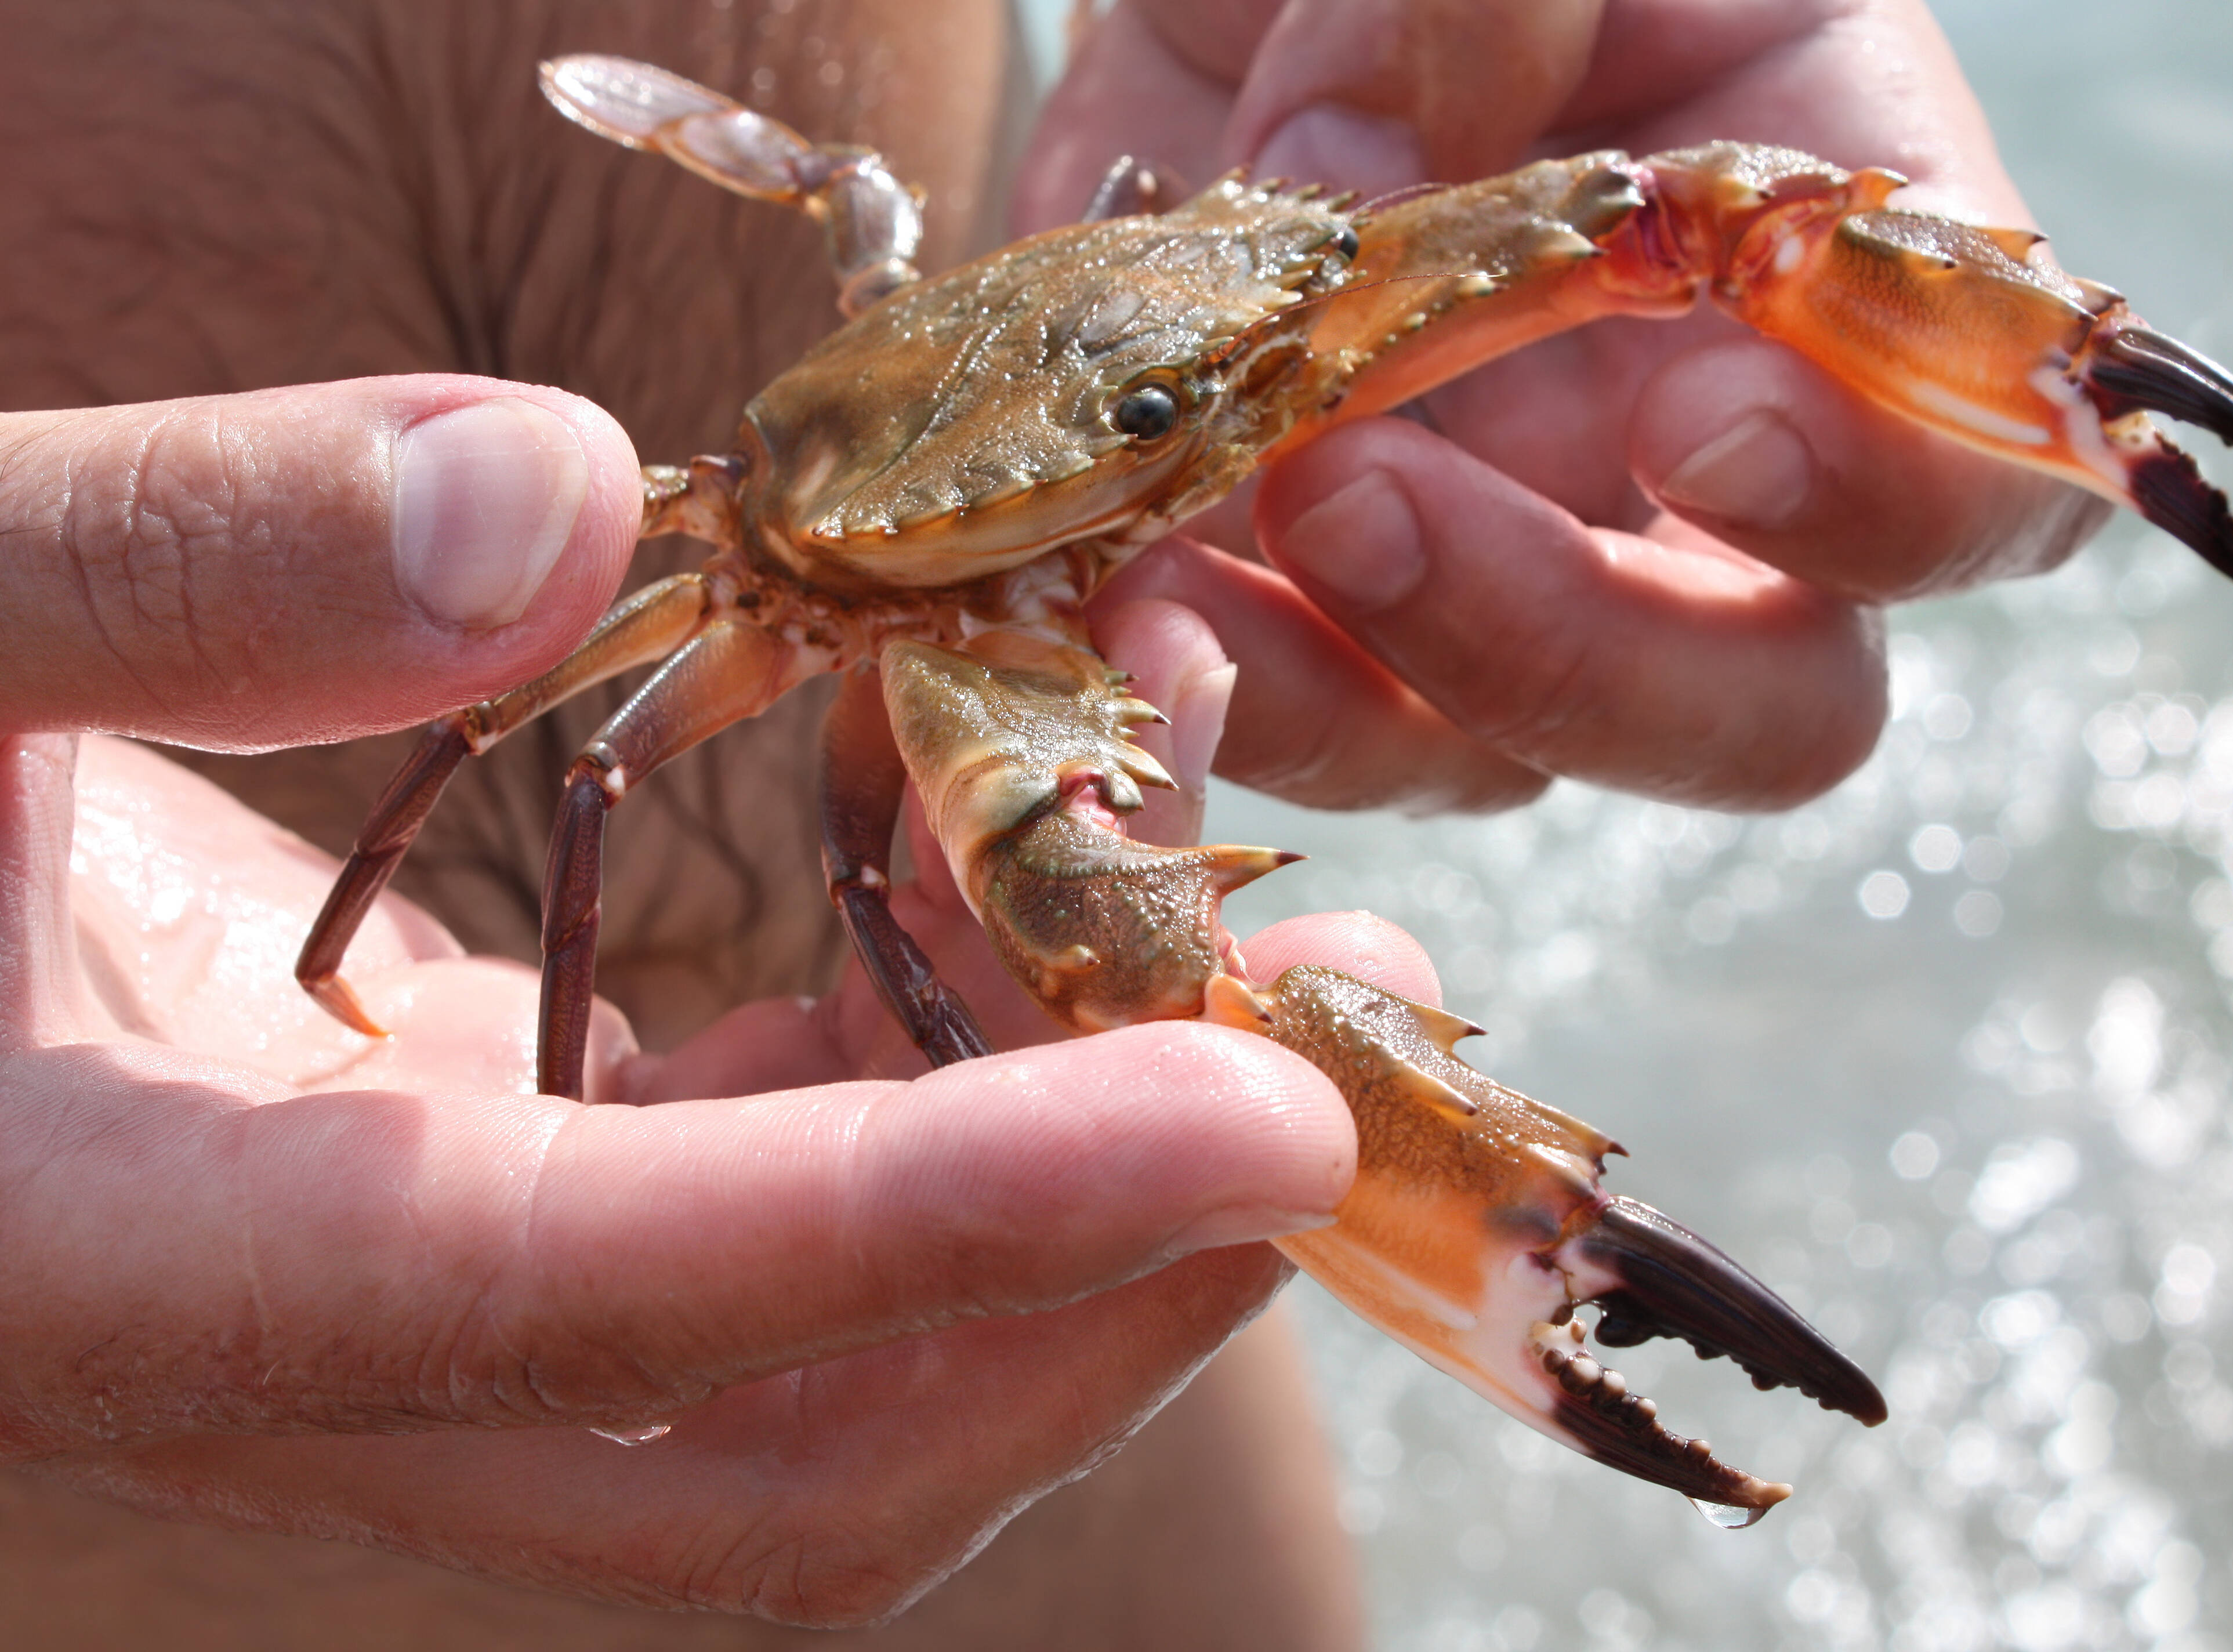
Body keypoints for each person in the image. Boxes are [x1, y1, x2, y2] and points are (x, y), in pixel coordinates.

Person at [0, 1, 2110, 1645]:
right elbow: (564, 766)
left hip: (1075, 1466)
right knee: (1100, 972)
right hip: (156, 1326)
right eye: (1137, 456)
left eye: (1190, 421)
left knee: (1668, 217)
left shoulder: (1248, 283)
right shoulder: (750, 605)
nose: (1181, 465)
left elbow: (1682, 210)